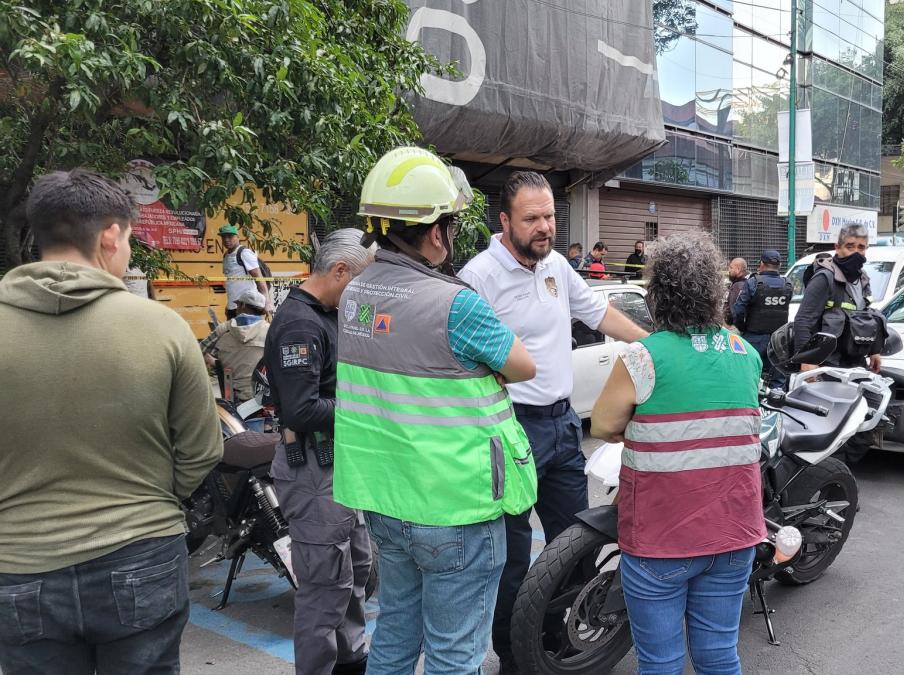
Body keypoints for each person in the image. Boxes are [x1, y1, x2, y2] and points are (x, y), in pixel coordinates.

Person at [0, 169, 222, 673]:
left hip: (19, 563)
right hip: (141, 552)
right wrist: (153, 497)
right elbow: (202, 448)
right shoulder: (162, 327)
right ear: (109, 236)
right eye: (129, 240)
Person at [332, 148, 539, 675]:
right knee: (454, 652)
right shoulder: (456, 303)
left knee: (397, 632)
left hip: (387, 502)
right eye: (448, 224)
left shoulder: (356, 293)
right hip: (456, 508)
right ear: (433, 232)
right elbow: (522, 366)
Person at [458, 171, 649, 673]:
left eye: (550, 216)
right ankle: (515, 659)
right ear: (504, 221)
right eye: (532, 218)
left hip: (563, 427)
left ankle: (559, 643)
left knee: (575, 543)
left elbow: (599, 313)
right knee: (512, 559)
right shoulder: (477, 277)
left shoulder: (556, 266)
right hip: (507, 429)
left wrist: (652, 348)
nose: (545, 227)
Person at [590, 230, 765, 674]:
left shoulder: (643, 358)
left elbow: (604, 425)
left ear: (657, 295)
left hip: (660, 543)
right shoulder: (745, 354)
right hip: (734, 536)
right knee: (719, 655)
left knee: (661, 662)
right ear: (715, 293)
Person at [265, 228, 375, 675]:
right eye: (359, 283)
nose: (361, 294)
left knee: (355, 574)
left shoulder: (330, 314)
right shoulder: (299, 323)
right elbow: (301, 409)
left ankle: (352, 660)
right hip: (312, 469)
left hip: (342, 467)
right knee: (324, 589)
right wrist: (367, 405)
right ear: (339, 270)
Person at [791, 224, 883, 373]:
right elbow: (803, 320)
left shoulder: (863, 279)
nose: (856, 253)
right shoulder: (825, 278)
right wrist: (807, 361)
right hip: (826, 367)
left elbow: (867, 317)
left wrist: (875, 350)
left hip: (855, 365)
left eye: (861, 248)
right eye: (850, 247)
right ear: (837, 247)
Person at [732, 249, 794, 390]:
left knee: (750, 380)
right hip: (779, 341)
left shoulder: (753, 283)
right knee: (778, 383)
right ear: (778, 265)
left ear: (761, 264)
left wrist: (743, 328)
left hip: (754, 338)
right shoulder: (787, 284)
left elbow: (738, 311)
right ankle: (776, 409)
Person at [200, 288, 270, 407]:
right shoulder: (270, 331)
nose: (236, 308)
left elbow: (200, 351)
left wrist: (217, 363)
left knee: (234, 422)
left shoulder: (223, 329)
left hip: (231, 395)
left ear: (243, 305)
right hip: (261, 395)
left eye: (237, 305)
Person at [220, 223, 272, 319]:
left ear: (238, 237)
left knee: (249, 333)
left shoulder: (244, 253)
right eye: (224, 237)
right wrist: (229, 305)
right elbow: (231, 281)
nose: (226, 239)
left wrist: (267, 302)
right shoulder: (226, 255)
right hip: (233, 307)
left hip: (247, 307)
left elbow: (259, 278)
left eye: (230, 236)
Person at [723, 257, 748, 327]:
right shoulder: (748, 282)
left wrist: (729, 324)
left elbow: (734, 310)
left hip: (734, 327)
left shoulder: (738, 286)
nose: (729, 270)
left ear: (738, 269)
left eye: (731, 268)